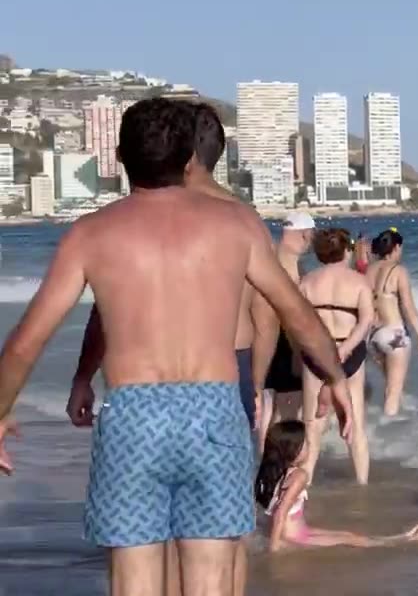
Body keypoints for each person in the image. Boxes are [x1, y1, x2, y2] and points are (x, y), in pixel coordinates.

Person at [0, 97, 353, 596]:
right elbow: (296, 312)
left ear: (120, 158)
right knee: (210, 582)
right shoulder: (236, 225)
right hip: (213, 410)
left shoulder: (90, 235)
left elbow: (24, 344)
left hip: (131, 415)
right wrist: (335, 378)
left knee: (135, 583)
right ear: (190, 160)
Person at [66, 104, 282, 596]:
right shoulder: (240, 218)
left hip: (146, 384)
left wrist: (84, 374)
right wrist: (260, 386)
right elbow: (269, 313)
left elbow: (107, 307)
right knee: (222, 532)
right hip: (231, 372)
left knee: (147, 525)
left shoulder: (139, 216)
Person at [257, 421, 418, 550]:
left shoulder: (279, 473)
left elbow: (275, 510)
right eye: (306, 444)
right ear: (293, 449)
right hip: (295, 537)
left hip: (296, 533)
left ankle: (403, 537)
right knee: (353, 541)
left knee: (350, 536)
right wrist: (275, 548)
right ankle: (406, 540)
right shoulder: (299, 476)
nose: (310, 446)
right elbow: (281, 511)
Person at [298, 228, 376, 485]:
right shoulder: (358, 282)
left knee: (313, 424)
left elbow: (298, 323)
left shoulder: (307, 281)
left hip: (316, 353)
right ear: (346, 250)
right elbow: (366, 321)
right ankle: (362, 484)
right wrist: (346, 349)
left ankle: (304, 483)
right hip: (349, 351)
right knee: (355, 424)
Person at [258, 213, 316, 434]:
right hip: (286, 341)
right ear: (304, 234)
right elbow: (291, 311)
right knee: (287, 413)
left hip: (263, 337)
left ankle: (264, 462)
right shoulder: (291, 265)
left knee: (268, 408)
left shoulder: (268, 255)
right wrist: (297, 352)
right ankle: (280, 465)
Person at [366, 228, 418, 416]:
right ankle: (390, 431)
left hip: (372, 336)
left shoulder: (369, 270)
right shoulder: (399, 271)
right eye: (400, 248)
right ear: (396, 247)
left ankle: (398, 425)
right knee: (393, 392)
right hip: (394, 335)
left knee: (392, 385)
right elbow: (409, 307)